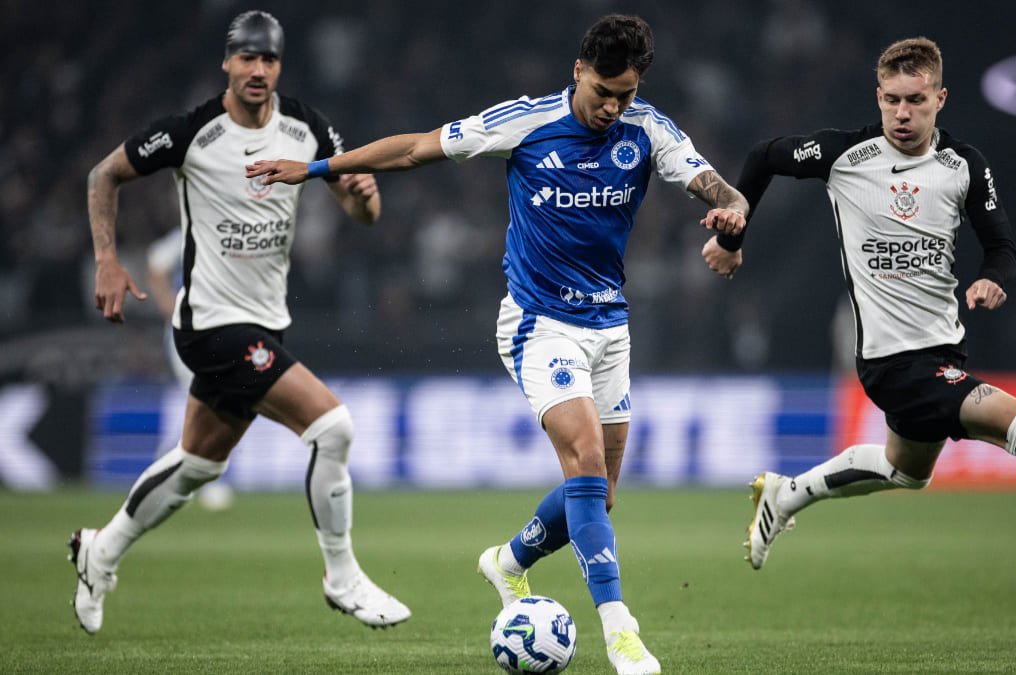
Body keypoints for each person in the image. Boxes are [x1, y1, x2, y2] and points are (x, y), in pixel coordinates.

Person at [248, 14, 747, 674]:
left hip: (610, 327)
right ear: (579, 71)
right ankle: (621, 631)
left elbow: (724, 192)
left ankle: (508, 560)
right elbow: (415, 149)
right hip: (539, 324)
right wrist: (315, 168)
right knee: (586, 462)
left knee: (597, 496)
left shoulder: (646, 128)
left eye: (625, 93)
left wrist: (732, 226)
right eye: (603, 90)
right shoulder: (527, 121)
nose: (612, 106)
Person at [705, 37, 1016, 625]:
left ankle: (787, 493)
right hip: (893, 361)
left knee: (907, 469)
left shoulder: (964, 166)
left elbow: (1002, 247)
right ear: (878, 98)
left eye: (917, 101)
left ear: (940, 98)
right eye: (893, 101)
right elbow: (764, 156)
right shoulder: (844, 156)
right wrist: (732, 236)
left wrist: (991, 279)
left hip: (942, 349)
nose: (903, 113)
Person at [74, 10, 410, 635]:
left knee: (198, 466)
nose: (258, 70)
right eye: (247, 58)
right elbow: (104, 175)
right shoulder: (192, 132)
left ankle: (102, 550)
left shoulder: (307, 127)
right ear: (226, 62)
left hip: (265, 322)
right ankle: (342, 577)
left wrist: (364, 196)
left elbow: (362, 212)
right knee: (333, 428)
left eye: (269, 59)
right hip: (211, 325)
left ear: (280, 65)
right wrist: (107, 260)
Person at [146, 228, 235, 511]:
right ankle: (193, 476)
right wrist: (169, 306)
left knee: (206, 401)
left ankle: (171, 469)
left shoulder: (227, 229)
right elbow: (156, 264)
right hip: (188, 332)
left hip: (219, 329)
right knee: (203, 399)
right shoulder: (190, 229)